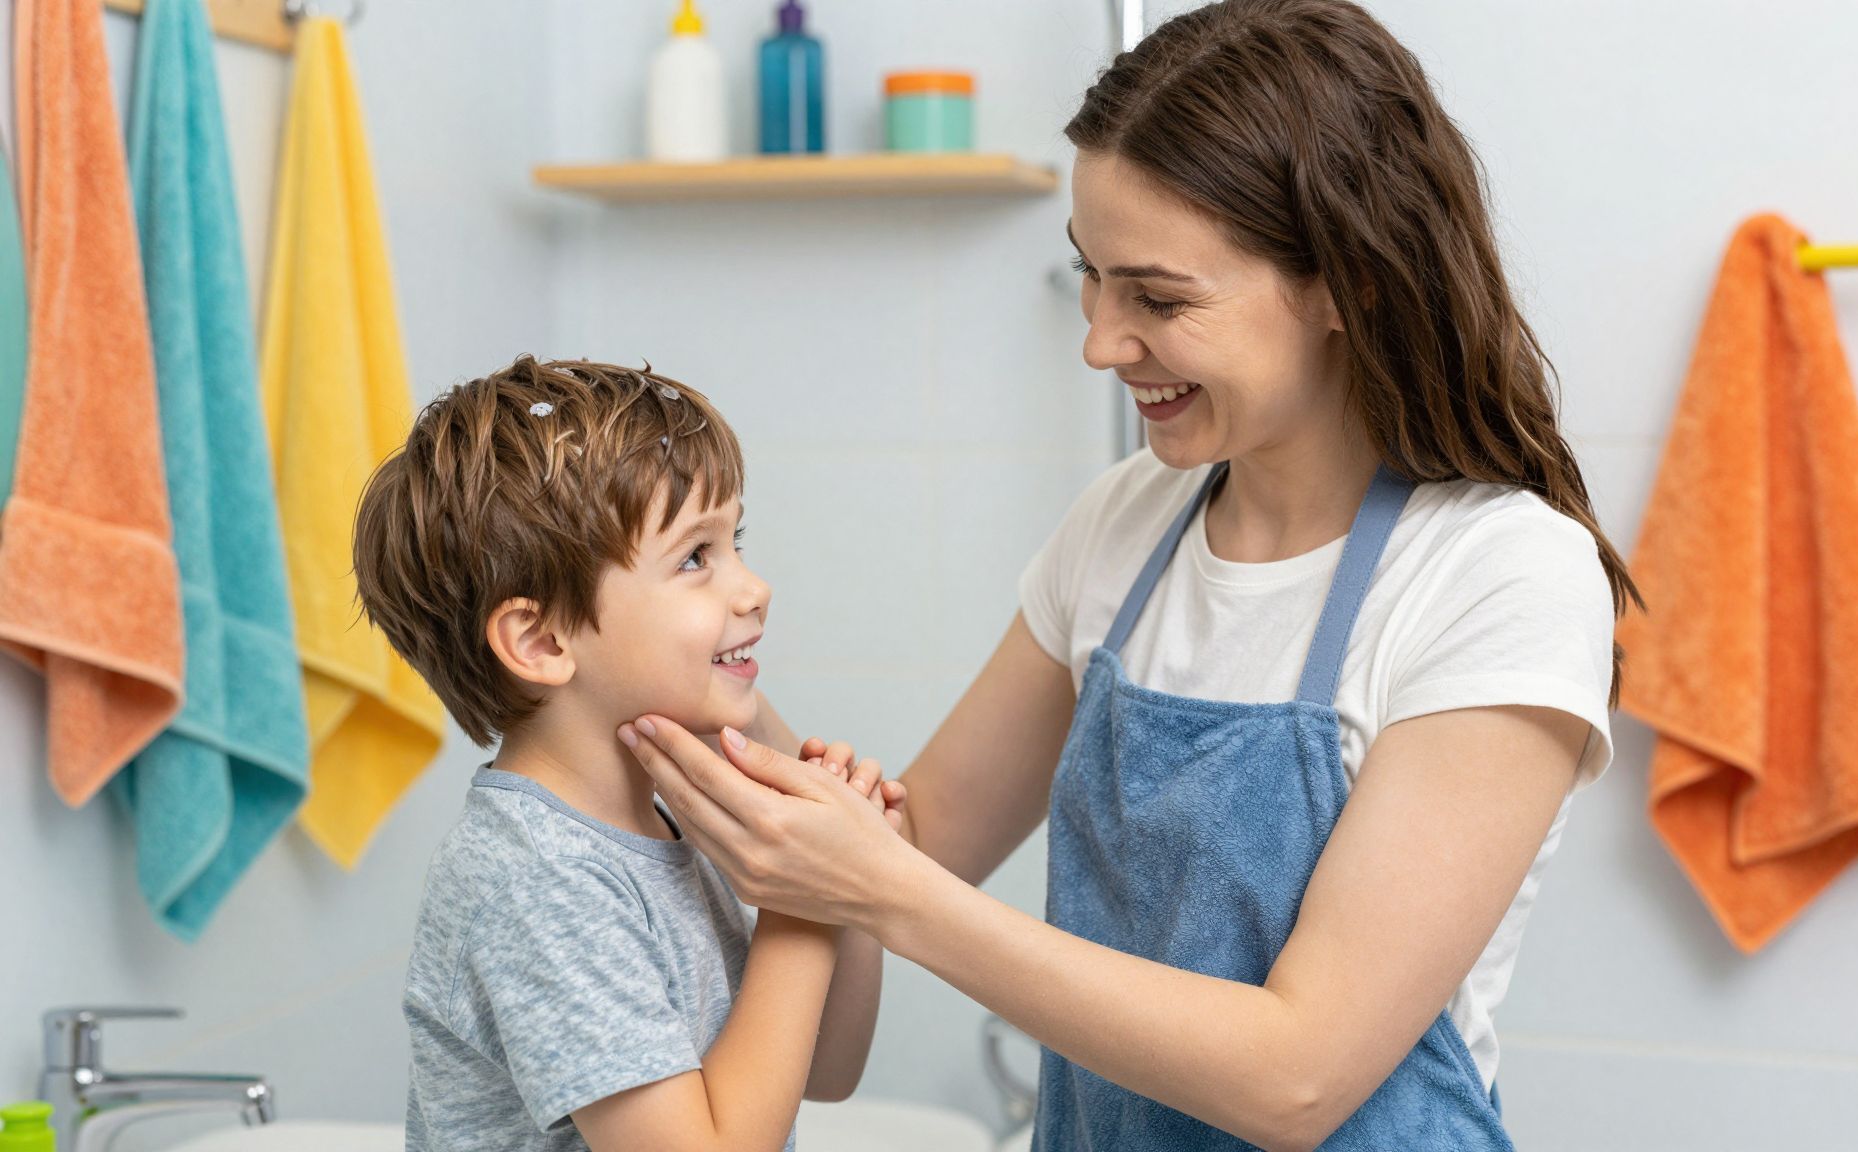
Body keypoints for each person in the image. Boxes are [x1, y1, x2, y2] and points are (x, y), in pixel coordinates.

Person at [619, 2, 1643, 1148]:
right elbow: (909, 845)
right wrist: (674, 653)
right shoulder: (1123, 526)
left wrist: (883, 890)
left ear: (1343, 283)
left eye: (1156, 298)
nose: (1099, 343)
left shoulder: (1496, 574)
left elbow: (1296, 1076)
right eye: (1091, 279)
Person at [358, 357, 905, 1152]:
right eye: (695, 558)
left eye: (735, 540)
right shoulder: (536, 875)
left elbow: (825, 1071)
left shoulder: (667, 822)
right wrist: (797, 905)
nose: (754, 588)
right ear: (542, 640)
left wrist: (847, 881)